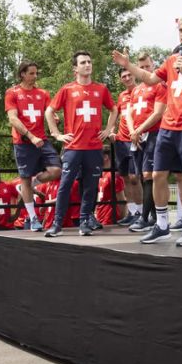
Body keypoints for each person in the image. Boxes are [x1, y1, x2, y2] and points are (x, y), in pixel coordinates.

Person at [112, 14, 182, 246]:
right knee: (158, 175)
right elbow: (150, 79)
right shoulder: (172, 60)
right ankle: (161, 225)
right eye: (181, 30)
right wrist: (128, 65)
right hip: (168, 127)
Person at [44, 51, 118, 237]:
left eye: (89, 61)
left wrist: (109, 129)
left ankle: (85, 221)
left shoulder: (101, 89)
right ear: (75, 68)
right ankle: (57, 224)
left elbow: (114, 109)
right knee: (65, 184)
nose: (87, 64)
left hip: (94, 148)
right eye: (83, 62)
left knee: (90, 186)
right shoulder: (67, 89)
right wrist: (56, 134)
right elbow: (49, 111)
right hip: (73, 147)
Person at [5, 61, 62, 233]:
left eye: (36, 73)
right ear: (22, 74)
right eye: (31, 73)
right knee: (25, 178)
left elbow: (49, 112)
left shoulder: (43, 93)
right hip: (24, 142)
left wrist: (55, 118)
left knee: (56, 170)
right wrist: (30, 136)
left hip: (42, 140)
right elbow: (13, 119)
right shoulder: (12, 92)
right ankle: (33, 218)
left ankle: (30, 185)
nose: (35, 76)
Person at [127, 53, 167, 232]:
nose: (144, 71)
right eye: (141, 68)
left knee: (149, 174)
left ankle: (144, 218)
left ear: (153, 66)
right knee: (141, 176)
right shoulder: (135, 90)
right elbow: (129, 112)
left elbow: (158, 113)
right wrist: (132, 131)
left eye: (147, 67)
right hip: (137, 137)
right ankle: (153, 217)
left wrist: (139, 129)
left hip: (153, 134)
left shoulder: (159, 85)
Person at [113, 68, 143, 225]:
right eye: (123, 76)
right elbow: (117, 114)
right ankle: (131, 212)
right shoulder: (122, 96)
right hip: (120, 141)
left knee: (134, 177)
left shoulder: (141, 91)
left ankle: (141, 211)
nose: (126, 78)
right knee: (124, 177)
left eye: (129, 75)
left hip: (135, 139)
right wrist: (111, 131)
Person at [96, 147, 126, 226]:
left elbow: (121, 200)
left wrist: (122, 220)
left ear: (105, 157)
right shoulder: (100, 174)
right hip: (100, 219)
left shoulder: (114, 176)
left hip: (110, 219)